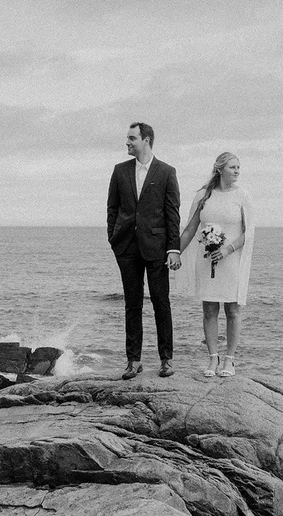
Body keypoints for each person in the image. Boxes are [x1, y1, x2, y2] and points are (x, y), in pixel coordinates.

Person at [107, 122, 182, 379]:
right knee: (132, 305)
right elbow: (112, 209)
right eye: (127, 138)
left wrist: (174, 249)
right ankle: (133, 360)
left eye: (132, 138)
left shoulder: (166, 172)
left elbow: (173, 215)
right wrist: (113, 239)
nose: (127, 143)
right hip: (127, 247)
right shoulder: (120, 171)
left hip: (158, 248)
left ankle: (166, 360)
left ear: (146, 140)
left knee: (161, 303)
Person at [178, 152, 255, 378]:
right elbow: (191, 229)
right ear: (220, 169)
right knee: (209, 310)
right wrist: (174, 253)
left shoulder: (243, 196)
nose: (237, 171)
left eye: (239, 167)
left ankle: (230, 360)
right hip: (207, 260)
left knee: (233, 310)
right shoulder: (204, 195)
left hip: (231, 259)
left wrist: (226, 250)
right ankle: (213, 358)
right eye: (233, 167)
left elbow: (248, 233)